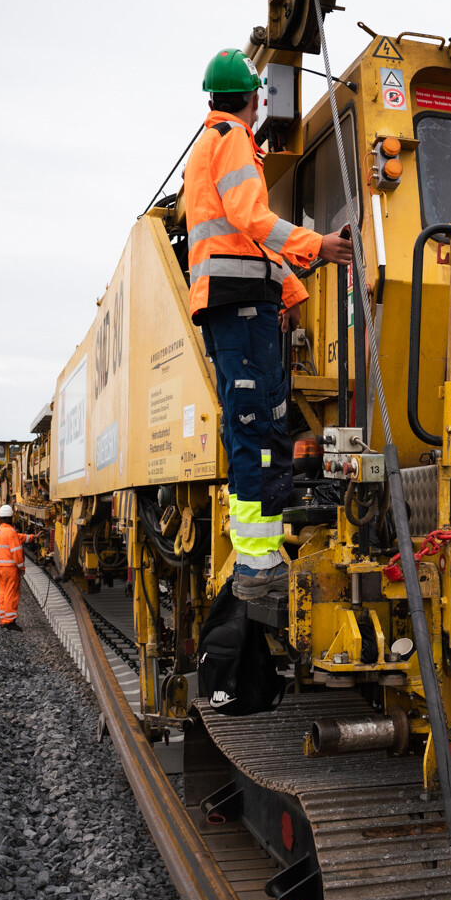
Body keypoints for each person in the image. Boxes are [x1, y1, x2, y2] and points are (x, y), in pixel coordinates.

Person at [184, 48, 353, 604]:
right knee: (258, 428)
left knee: (253, 426)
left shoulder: (210, 143)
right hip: (240, 305)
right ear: (254, 97)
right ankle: (258, 567)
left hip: (234, 302)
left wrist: (291, 290)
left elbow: (242, 243)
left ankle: (258, 559)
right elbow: (251, 219)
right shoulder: (232, 138)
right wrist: (319, 244)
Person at [0, 504, 24, 631]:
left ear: (0, 518)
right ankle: (10, 621)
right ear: (11, 518)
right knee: (11, 593)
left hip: (0, 568)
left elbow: (17, 538)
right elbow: (17, 552)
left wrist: (33, 537)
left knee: (3, 592)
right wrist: (21, 567)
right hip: (10, 568)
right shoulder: (11, 532)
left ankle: (3, 618)